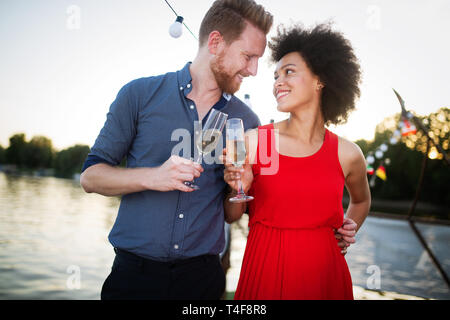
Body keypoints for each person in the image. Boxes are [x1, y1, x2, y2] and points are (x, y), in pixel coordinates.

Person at [80, 0, 273, 300]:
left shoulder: (248, 122)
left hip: (203, 281)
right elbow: (90, 178)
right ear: (216, 42)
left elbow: (232, 215)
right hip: (133, 279)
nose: (254, 70)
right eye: (248, 57)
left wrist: (240, 186)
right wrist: (153, 177)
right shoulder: (139, 95)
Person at [223, 23, 371, 300]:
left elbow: (361, 201)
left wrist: (348, 227)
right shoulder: (257, 141)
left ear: (320, 80)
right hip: (264, 271)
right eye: (276, 75)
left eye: (289, 72)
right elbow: (232, 216)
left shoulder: (347, 153)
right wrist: (236, 188)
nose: (278, 82)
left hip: (325, 276)